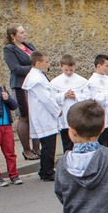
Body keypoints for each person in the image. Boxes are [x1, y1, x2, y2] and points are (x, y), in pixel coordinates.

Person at [23, 50, 71, 181]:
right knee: (48, 145)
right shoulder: (36, 78)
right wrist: (57, 111)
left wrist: (61, 97)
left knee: (48, 144)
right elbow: (45, 99)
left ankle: (45, 170)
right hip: (43, 115)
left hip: (44, 114)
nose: (48, 64)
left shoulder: (38, 75)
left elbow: (49, 95)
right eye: (46, 61)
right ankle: (47, 172)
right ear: (38, 63)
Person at [2, 24, 39, 160]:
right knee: (25, 116)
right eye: (21, 32)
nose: (25, 34)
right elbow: (15, 68)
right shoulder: (9, 49)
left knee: (36, 114)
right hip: (21, 85)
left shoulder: (29, 46)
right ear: (13, 36)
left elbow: (39, 61)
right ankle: (27, 149)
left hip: (35, 84)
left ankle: (37, 148)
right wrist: (34, 69)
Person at [50, 54, 92, 152]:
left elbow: (88, 96)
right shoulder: (55, 82)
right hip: (64, 115)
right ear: (61, 67)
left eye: (71, 70)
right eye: (66, 70)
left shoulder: (81, 81)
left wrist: (76, 96)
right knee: (66, 140)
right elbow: (51, 98)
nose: (69, 72)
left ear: (75, 66)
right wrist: (63, 96)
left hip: (79, 114)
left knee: (80, 139)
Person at [88, 55, 108, 147]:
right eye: (107, 66)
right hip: (100, 115)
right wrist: (106, 95)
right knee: (102, 141)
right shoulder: (91, 81)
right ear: (98, 66)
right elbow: (92, 98)